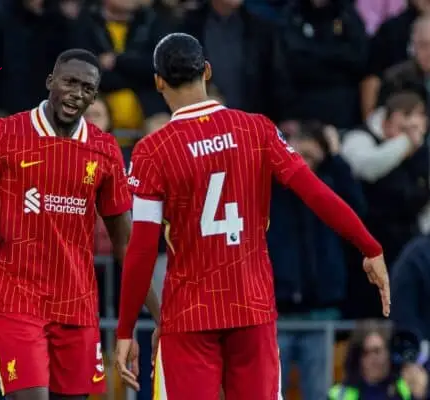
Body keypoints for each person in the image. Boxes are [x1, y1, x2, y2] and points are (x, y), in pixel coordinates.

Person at [114, 33, 391, 400]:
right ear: (207, 71)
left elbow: (143, 247)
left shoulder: (152, 150)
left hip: (189, 314)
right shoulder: (256, 129)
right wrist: (369, 247)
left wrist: (124, 330)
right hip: (252, 306)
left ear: (158, 81)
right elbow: (316, 193)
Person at [0, 48, 160, 400]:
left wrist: (162, 316)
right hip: (19, 299)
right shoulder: (3, 135)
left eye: (87, 88)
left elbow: (126, 245)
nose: (76, 93)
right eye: (69, 82)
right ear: (50, 82)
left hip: (77, 305)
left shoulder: (106, 150)